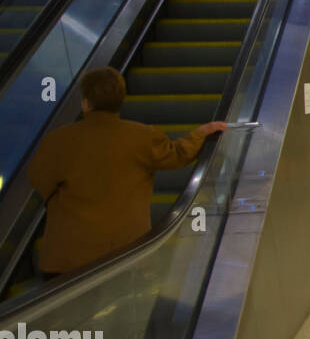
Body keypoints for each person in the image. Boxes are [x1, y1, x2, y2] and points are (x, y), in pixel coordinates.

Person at [27, 67, 227, 277]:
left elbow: (40, 179)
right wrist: (201, 133)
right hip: (124, 252)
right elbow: (177, 154)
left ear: (86, 102)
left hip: (68, 256)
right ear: (121, 100)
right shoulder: (142, 137)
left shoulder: (58, 141)